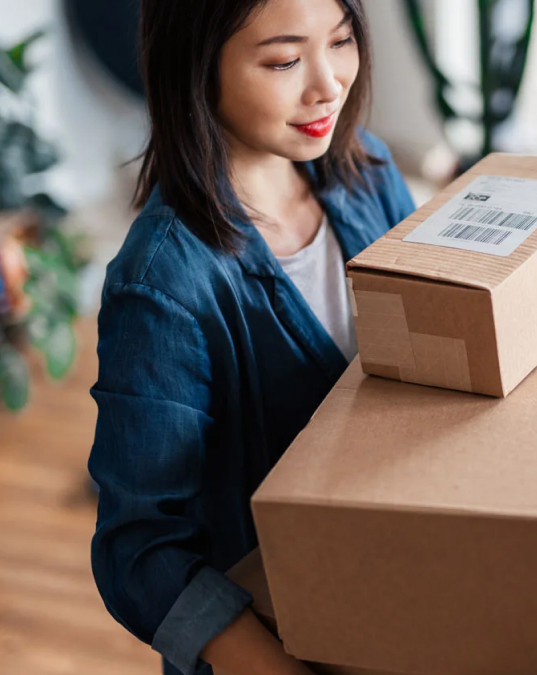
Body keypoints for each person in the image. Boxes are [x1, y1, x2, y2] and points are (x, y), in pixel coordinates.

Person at [87, 1, 415, 673]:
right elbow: (142, 548)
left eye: (343, 41)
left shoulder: (368, 172)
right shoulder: (163, 285)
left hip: (394, 595)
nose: (327, 83)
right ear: (198, 69)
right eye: (285, 60)